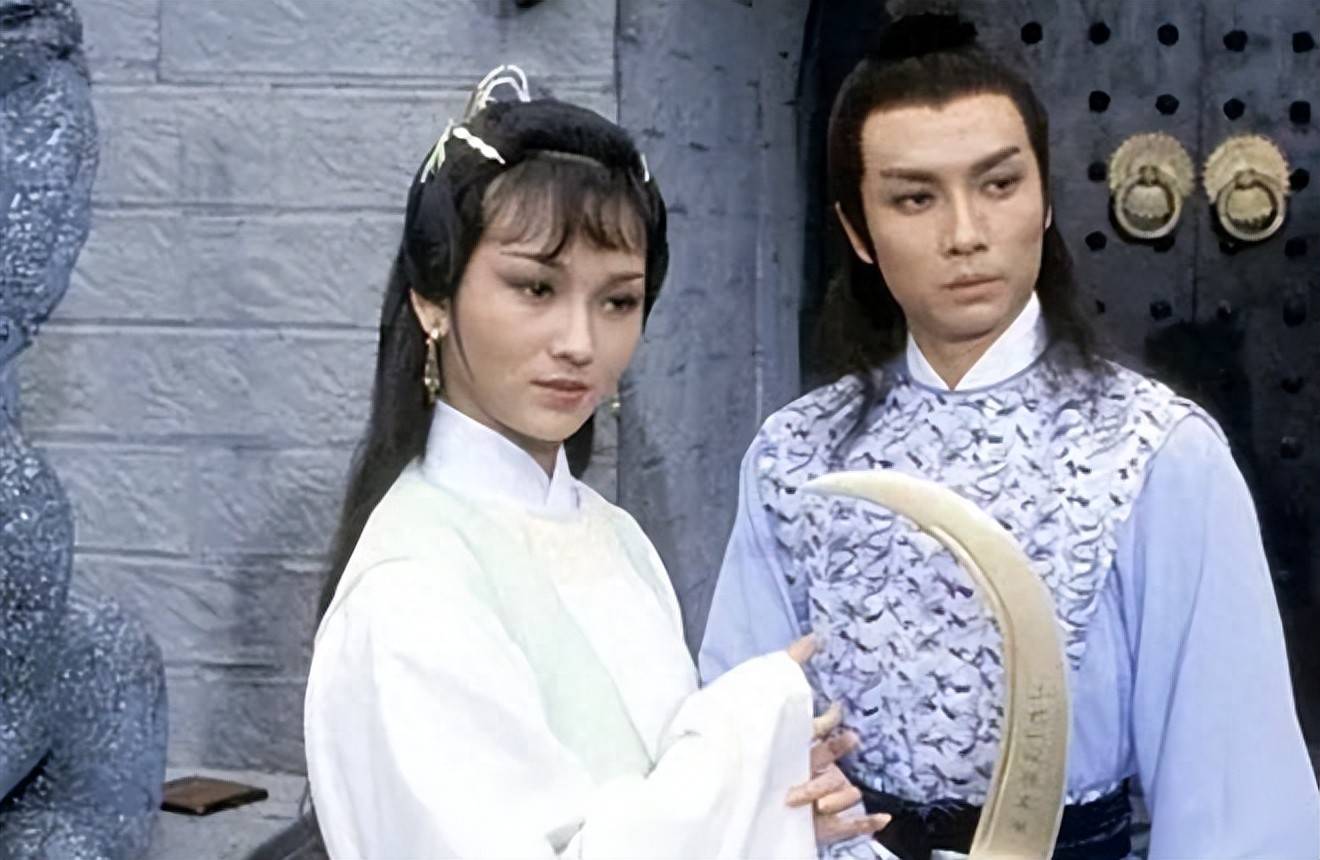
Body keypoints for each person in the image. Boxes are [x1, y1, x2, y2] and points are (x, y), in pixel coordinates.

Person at [699, 15, 1320, 860]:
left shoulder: (1156, 451)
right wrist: (777, 775)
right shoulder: (795, 455)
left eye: (998, 184)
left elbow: (1232, 795)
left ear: (1045, 198)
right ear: (857, 232)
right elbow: (736, 727)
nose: (965, 233)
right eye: (915, 198)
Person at [303, 67, 890, 858]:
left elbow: (652, 802)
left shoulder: (614, 536)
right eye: (535, 288)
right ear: (432, 300)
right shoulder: (410, 591)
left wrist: (772, 808)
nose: (580, 343)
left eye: (618, 301)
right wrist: (743, 735)